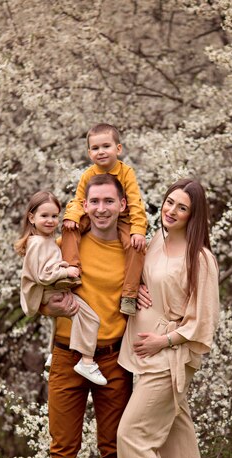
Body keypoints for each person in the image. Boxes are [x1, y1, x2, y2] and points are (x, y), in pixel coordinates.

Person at [117, 179, 220, 458]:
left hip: (167, 357)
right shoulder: (155, 243)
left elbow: (203, 320)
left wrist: (165, 339)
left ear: (194, 216)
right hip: (142, 353)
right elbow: (140, 272)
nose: (170, 211)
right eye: (168, 202)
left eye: (181, 208)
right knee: (178, 438)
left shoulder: (200, 258)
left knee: (132, 435)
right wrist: (138, 285)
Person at [41, 174, 133, 458]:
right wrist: (48, 305)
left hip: (112, 358)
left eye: (108, 201)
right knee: (63, 451)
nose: (100, 209)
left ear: (122, 205)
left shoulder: (133, 249)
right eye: (93, 201)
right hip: (67, 356)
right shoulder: (68, 241)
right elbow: (38, 288)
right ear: (84, 204)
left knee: (112, 448)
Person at [15, 190, 107, 385]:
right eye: (44, 216)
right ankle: (87, 361)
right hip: (50, 290)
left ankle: (51, 356)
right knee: (90, 318)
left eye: (55, 216)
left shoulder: (45, 240)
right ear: (31, 218)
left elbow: (48, 266)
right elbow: (42, 275)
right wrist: (67, 272)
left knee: (59, 322)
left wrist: (61, 266)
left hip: (52, 290)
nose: (50, 221)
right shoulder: (38, 243)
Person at [61, 123, 147, 316]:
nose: (101, 152)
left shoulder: (126, 173)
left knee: (136, 246)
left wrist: (138, 230)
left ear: (118, 149)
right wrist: (73, 216)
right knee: (68, 226)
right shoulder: (88, 175)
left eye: (106, 146)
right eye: (95, 148)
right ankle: (71, 269)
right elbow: (78, 201)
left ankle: (129, 294)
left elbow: (135, 203)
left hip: (122, 219)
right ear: (89, 153)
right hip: (91, 215)